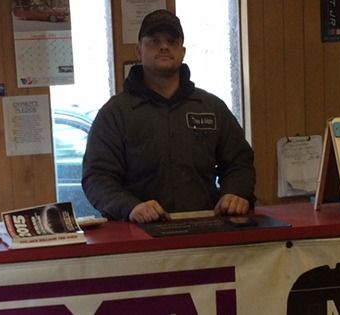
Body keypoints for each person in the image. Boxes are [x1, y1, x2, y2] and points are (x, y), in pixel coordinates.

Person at [81, 9, 256, 223]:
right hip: (137, 237)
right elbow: (97, 177)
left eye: (172, 41)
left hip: (205, 233)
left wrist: (235, 192)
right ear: (139, 51)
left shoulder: (211, 108)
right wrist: (130, 207)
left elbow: (240, 162)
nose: (164, 46)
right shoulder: (115, 114)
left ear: (182, 52)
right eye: (154, 41)